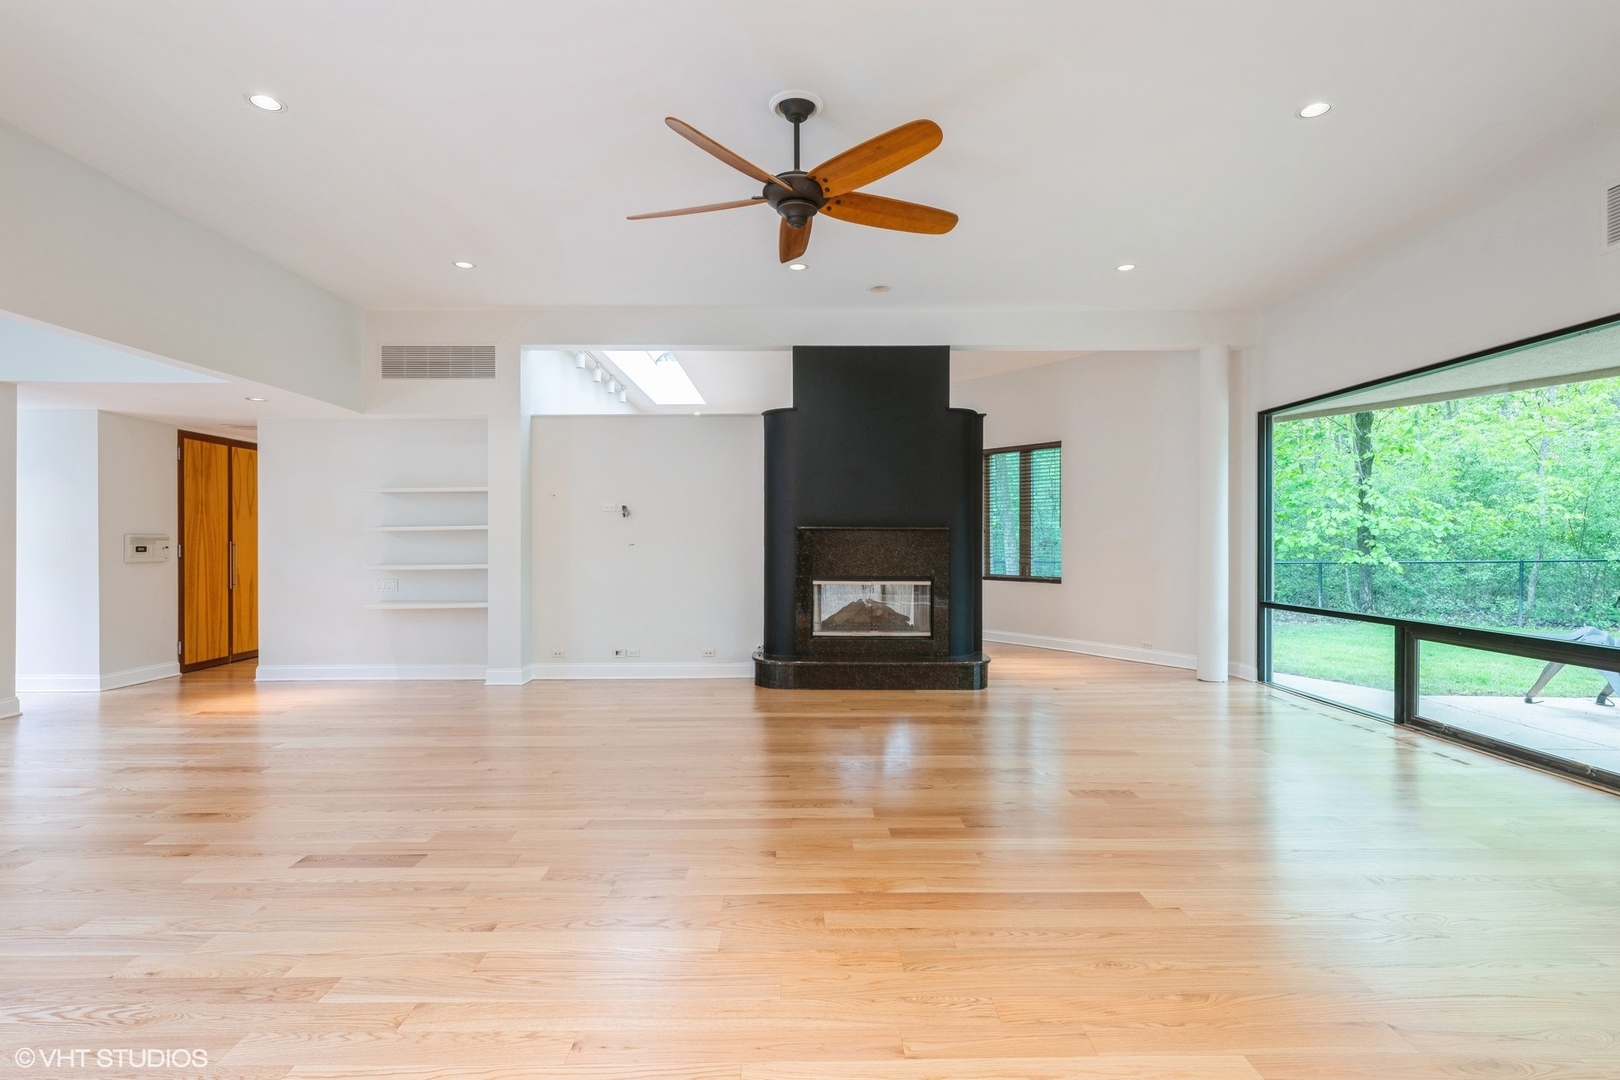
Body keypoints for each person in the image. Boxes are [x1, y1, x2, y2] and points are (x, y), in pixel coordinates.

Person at [1523, 626, 1620, 705]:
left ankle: (1530, 695)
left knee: (1559, 658)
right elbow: (1613, 676)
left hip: (1599, 640)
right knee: (1559, 658)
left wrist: (1603, 696)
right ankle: (1531, 695)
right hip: (1598, 643)